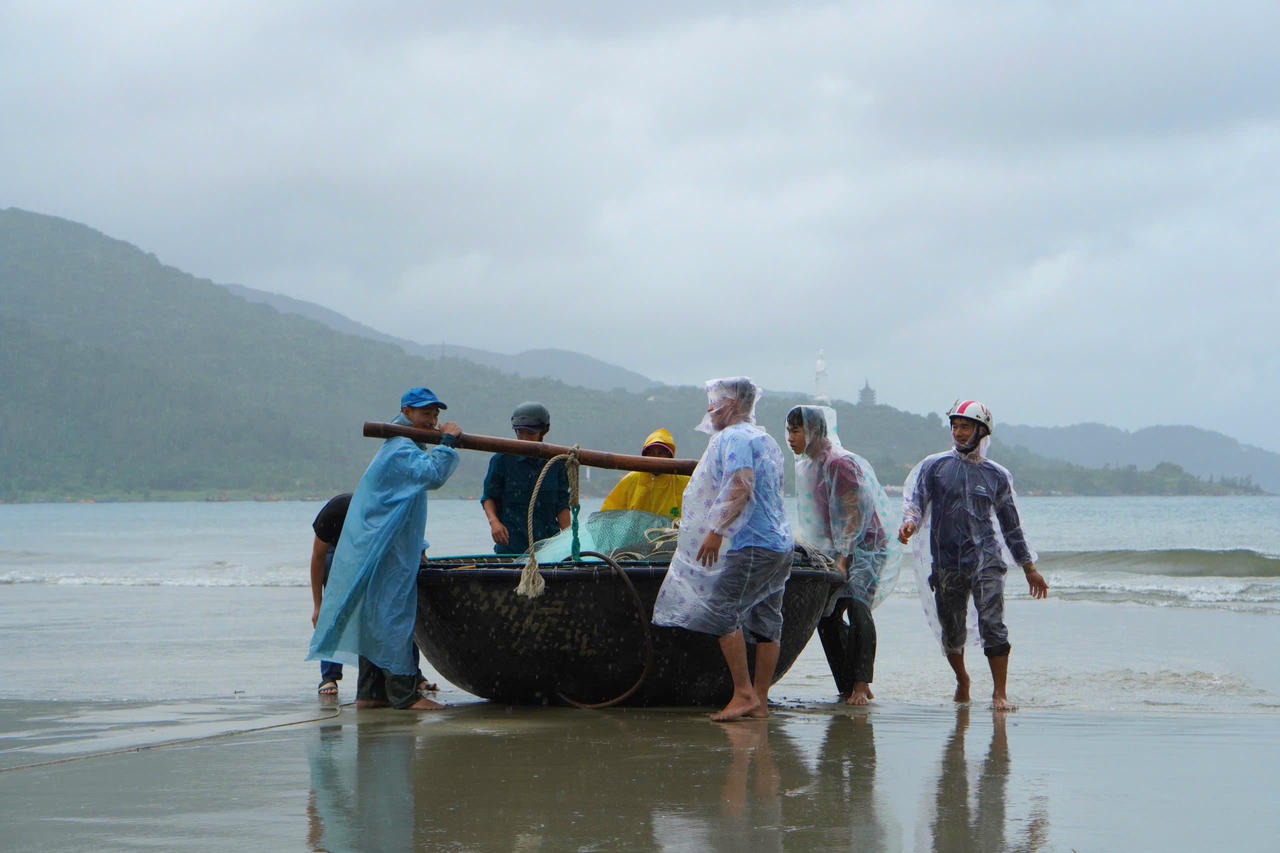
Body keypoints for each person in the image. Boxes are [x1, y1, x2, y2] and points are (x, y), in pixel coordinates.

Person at [307, 387, 462, 711]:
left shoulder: (405, 446)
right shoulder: (401, 449)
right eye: (425, 413)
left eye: (436, 414)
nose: (432, 420)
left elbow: (399, 507)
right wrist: (448, 442)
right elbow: (434, 475)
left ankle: (371, 694)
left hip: (384, 550)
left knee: (376, 617)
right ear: (406, 412)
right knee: (393, 617)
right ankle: (404, 695)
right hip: (385, 554)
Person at [653, 377, 794, 721]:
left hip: (752, 544)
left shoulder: (734, 437)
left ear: (731, 404)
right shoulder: (766, 437)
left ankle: (744, 694)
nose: (709, 409)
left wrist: (715, 530)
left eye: (714, 401)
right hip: (780, 544)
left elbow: (740, 485)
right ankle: (759, 699)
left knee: (720, 612)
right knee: (766, 620)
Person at [897, 399, 1049, 711]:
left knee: (993, 624)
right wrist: (909, 522)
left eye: (965, 426)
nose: (958, 432)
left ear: (982, 431)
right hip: (948, 561)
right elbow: (916, 501)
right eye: (954, 426)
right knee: (951, 631)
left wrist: (1029, 567)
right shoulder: (935, 467)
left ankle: (999, 693)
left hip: (987, 561)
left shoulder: (997, 475)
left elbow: (1011, 526)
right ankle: (963, 679)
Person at [786, 405, 901, 706]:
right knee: (826, 615)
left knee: (857, 606)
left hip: (865, 546)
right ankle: (846, 684)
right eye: (788, 430)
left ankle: (861, 685)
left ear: (814, 431)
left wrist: (844, 557)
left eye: (796, 430)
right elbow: (814, 516)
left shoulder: (840, 464)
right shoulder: (807, 466)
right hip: (833, 548)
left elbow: (854, 513)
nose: (790, 437)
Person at [310, 492, 436, 699]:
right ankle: (329, 676)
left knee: (395, 610)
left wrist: (421, 556)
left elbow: (412, 539)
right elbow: (317, 556)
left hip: (374, 548)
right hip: (337, 551)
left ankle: (412, 673)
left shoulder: (386, 513)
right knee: (335, 612)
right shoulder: (335, 512)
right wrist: (318, 605)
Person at [481, 401, 571, 555]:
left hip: (548, 547)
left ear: (543, 431)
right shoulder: (502, 460)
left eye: (530, 433)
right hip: (511, 546)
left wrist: (569, 540)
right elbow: (489, 498)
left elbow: (562, 505)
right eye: (520, 432)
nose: (524, 438)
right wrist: (494, 523)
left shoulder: (556, 463)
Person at [599, 428, 691, 520]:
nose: (655, 457)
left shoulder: (684, 481)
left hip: (672, 533)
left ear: (670, 456)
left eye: (661, 453)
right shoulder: (632, 479)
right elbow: (609, 512)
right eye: (651, 453)